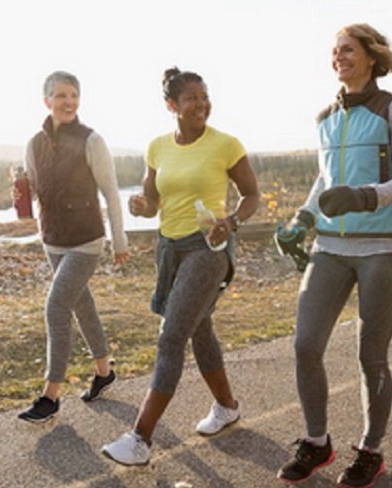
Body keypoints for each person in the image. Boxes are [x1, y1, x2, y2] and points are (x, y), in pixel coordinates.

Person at [275, 24, 392, 487]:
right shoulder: (326, 117)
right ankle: (317, 442)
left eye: (348, 49)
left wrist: (364, 196)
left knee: (370, 355)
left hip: (383, 245)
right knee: (305, 344)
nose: (339, 56)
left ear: (372, 57)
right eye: (335, 51)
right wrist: (301, 219)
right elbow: (324, 180)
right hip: (331, 247)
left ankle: (371, 452)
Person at [101, 67, 260, 465]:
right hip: (170, 249)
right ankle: (227, 406)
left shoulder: (226, 144)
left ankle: (140, 439)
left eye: (204, 96)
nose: (201, 104)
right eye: (191, 98)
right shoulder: (157, 147)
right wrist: (141, 206)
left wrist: (232, 222)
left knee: (171, 336)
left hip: (208, 248)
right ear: (172, 105)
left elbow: (252, 195)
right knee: (199, 327)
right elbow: (152, 201)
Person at [17, 70, 131, 423]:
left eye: (74, 96)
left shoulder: (91, 141)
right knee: (82, 305)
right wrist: (21, 195)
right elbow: (35, 189)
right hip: (53, 240)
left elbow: (111, 193)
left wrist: (119, 240)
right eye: (61, 96)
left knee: (56, 307)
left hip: (86, 240)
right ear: (47, 101)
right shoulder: (33, 144)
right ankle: (104, 372)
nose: (69, 102)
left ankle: (50, 396)